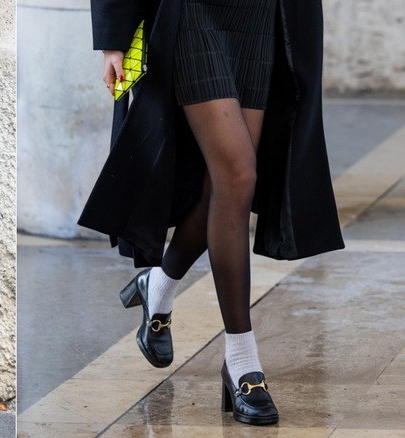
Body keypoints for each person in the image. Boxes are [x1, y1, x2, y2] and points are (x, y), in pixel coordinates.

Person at [79, 0, 344, 426]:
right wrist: (113, 37)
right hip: (192, 13)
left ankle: (159, 285)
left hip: (259, 16)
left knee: (226, 185)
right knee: (238, 174)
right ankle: (242, 361)